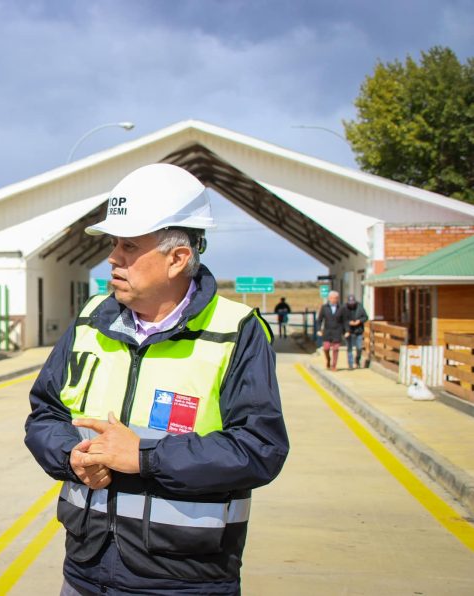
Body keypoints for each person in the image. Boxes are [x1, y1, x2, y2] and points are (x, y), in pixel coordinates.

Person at [24, 164, 289, 595]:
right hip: (85, 569)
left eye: (130, 245)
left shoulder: (236, 332)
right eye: (113, 244)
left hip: (185, 579)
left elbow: (260, 448)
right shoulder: (91, 321)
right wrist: (70, 455)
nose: (113, 258)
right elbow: (44, 414)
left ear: (177, 258)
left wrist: (146, 457)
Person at [317, 290, 343, 371]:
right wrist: (319, 329)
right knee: (326, 348)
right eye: (332, 298)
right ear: (329, 298)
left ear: (338, 299)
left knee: (336, 349)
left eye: (335, 298)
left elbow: (345, 320)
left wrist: (347, 331)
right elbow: (319, 320)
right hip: (327, 332)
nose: (333, 299)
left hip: (337, 331)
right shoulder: (324, 308)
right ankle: (328, 360)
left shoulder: (341, 308)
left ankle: (334, 365)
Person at [342, 294, 368, 369]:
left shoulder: (360, 307)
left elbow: (365, 317)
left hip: (358, 330)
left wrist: (359, 321)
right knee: (349, 348)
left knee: (359, 347)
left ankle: (357, 361)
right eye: (350, 303)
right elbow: (342, 319)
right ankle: (350, 364)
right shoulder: (344, 308)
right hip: (348, 330)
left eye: (353, 303)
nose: (352, 305)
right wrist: (348, 322)